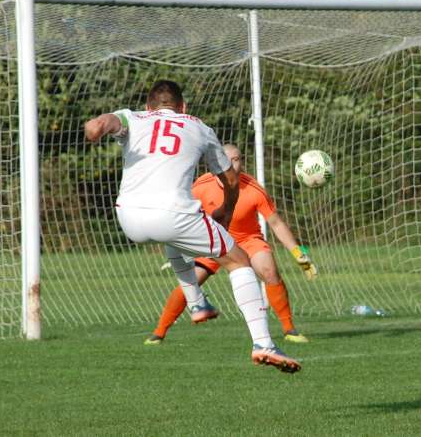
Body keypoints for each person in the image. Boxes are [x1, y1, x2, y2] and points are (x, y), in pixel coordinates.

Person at [83, 79, 301, 373]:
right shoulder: (198, 127)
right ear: (183, 106)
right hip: (174, 214)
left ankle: (197, 303)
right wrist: (226, 209)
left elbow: (100, 124)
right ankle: (263, 343)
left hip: (128, 217)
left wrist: (96, 127)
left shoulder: (133, 118)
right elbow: (231, 180)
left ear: (148, 106)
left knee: (172, 243)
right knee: (239, 261)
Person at [144, 143, 317, 345]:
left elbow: (276, 223)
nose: (236, 164)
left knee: (269, 271)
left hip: (247, 241)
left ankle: (289, 329)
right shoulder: (201, 186)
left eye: (238, 159)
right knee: (190, 282)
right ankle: (159, 332)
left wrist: (299, 253)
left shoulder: (253, 188)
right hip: (213, 242)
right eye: (230, 160)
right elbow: (182, 214)